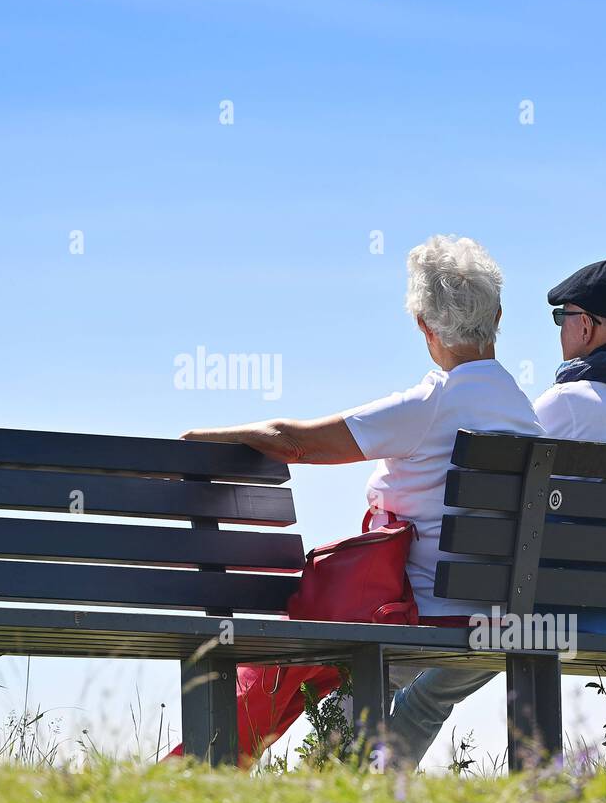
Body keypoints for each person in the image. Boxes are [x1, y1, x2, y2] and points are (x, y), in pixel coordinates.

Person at [180, 234, 543, 758]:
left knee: (290, 653)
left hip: (416, 617)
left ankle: (200, 768)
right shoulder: (525, 414)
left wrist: (199, 441)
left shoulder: (431, 404)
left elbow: (297, 443)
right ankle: (329, 781)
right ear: (499, 316)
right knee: (342, 678)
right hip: (496, 619)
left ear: (424, 326)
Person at [384, 258, 606, 767]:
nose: (562, 331)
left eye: (562, 317)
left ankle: (342, 783)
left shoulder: (567, 405)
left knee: (404, 675)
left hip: (546, 616)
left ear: (584, 324)